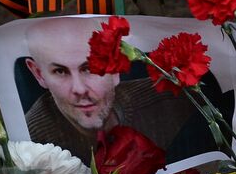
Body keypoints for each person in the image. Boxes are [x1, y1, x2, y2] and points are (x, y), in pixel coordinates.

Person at [22, 16, 216, 166]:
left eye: (90, 68)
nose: (79, 89)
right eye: (60, 71)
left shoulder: (172, 102)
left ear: (116, 68)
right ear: (38, 74)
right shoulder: (29, 143)